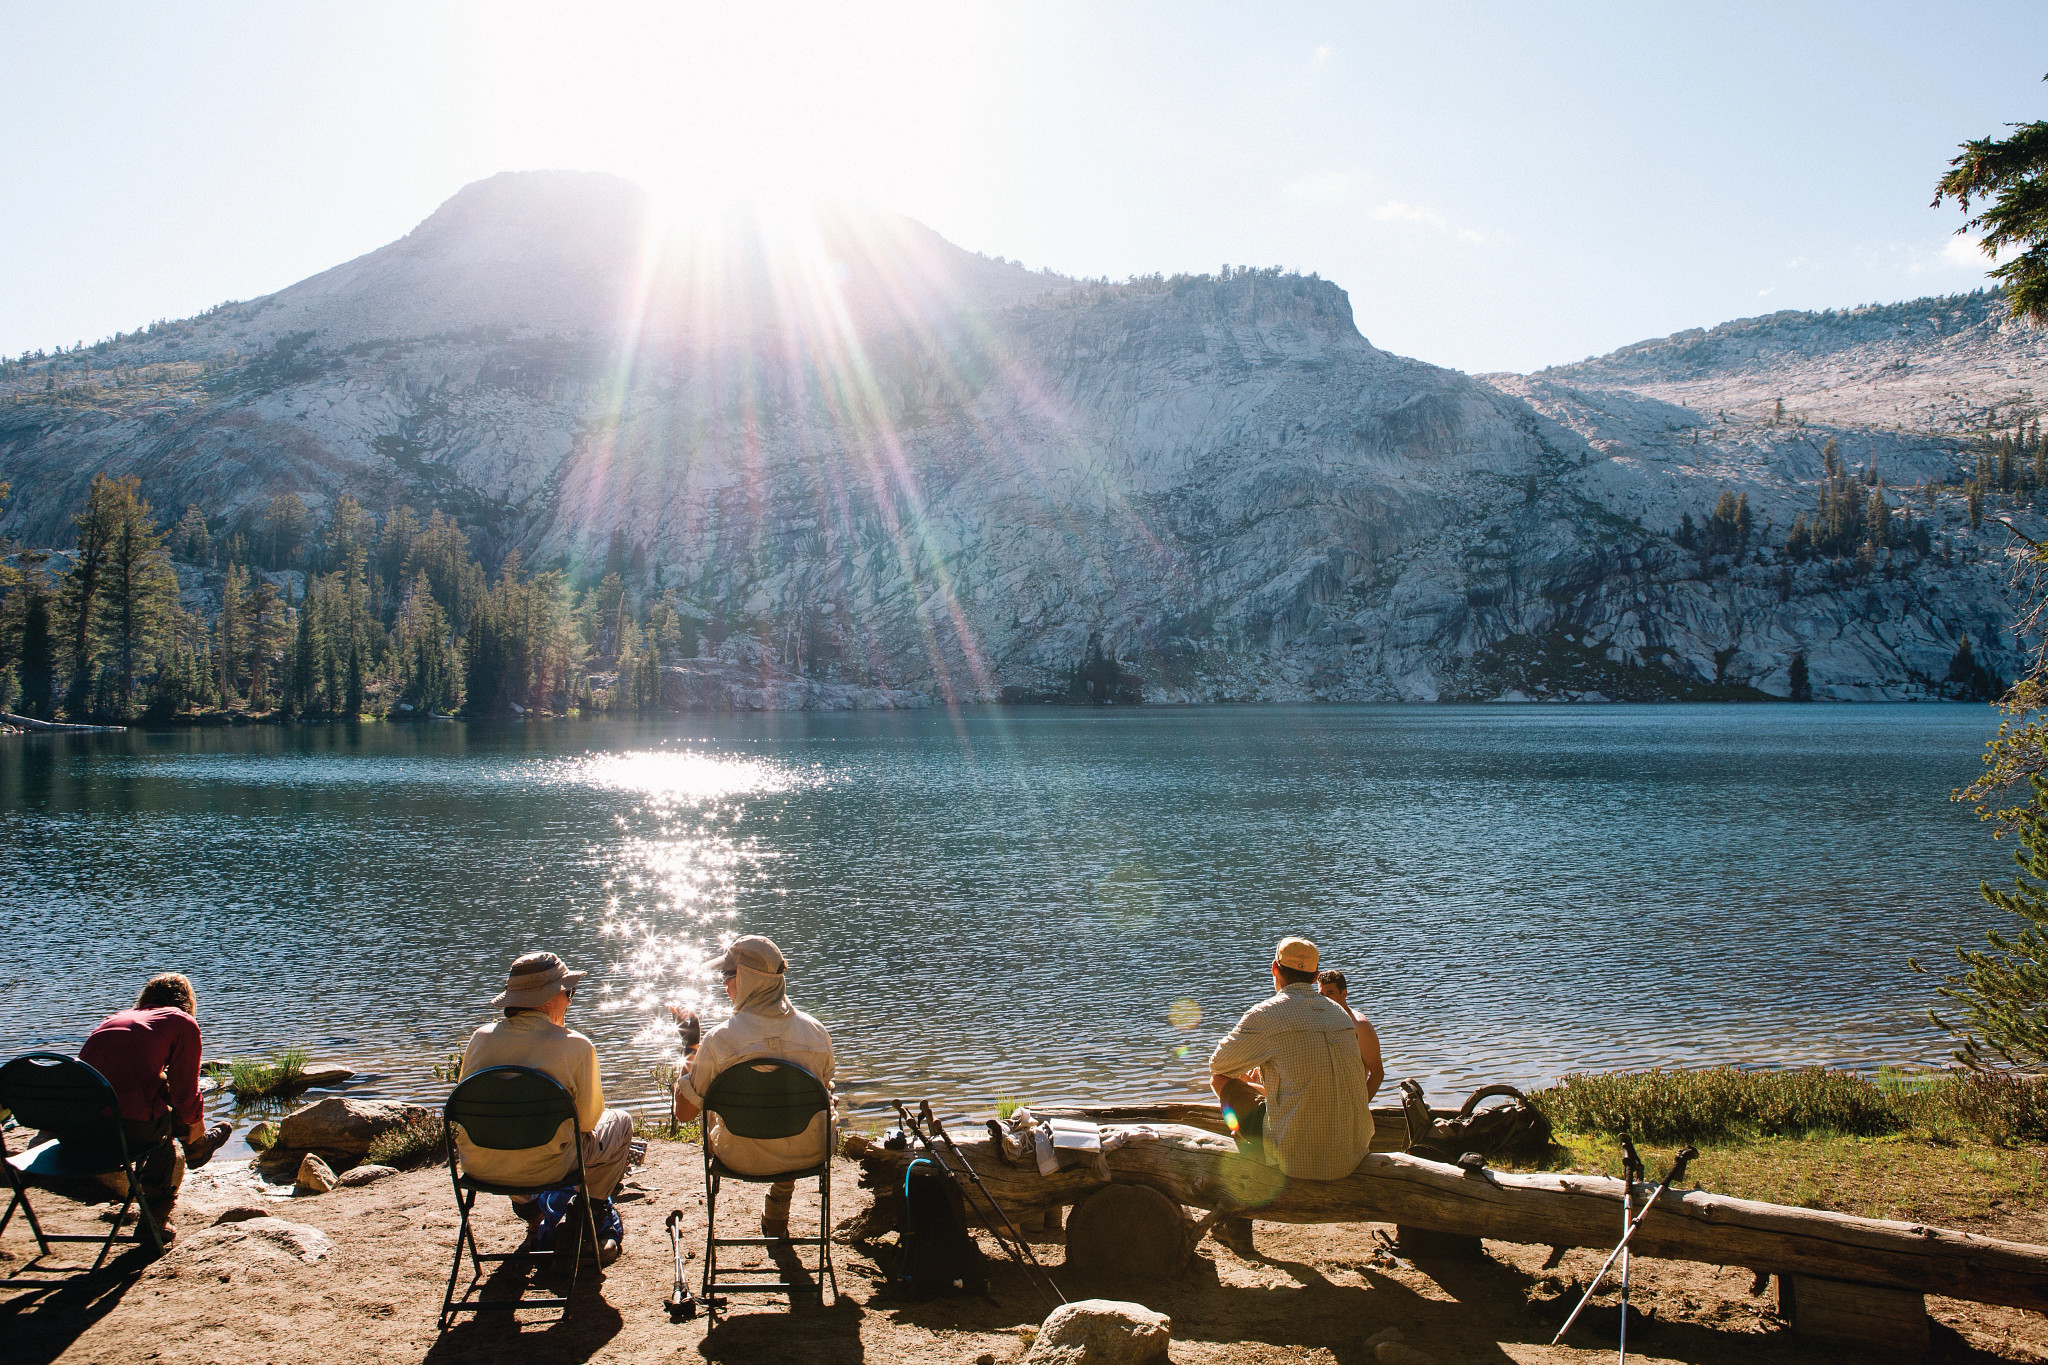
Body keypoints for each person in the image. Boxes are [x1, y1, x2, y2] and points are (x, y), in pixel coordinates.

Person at [456, 951, 635, 1264]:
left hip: (479, 1166)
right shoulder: (576, 1045)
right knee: (619, 1122)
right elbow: (588, 1121)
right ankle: (585, 1214)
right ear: (550, 997)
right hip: (549, 1168)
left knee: (508, 1128)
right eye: (568, 993)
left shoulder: (479, 1039)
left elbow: (464, 1108)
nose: (569, 1001)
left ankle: (532, 1215)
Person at [669, 935, 834, 1241]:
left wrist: (690, 1044)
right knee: (797, 1113)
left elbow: (683, 1113)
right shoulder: (816, 1034)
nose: (723, 984)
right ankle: (777, 1215)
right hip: (808, 1152)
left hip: (739, 1154)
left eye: (728, 976)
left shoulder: (719, 1041)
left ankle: (774, 1217)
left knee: (772, 1116)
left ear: (746, 979)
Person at [73, 973, 233, 1244]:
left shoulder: (114, 1019)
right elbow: (185, 1094)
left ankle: (195, 1148)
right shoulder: (183, 1022)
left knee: (157, 1088)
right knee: (164, 1144)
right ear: (187, 1002)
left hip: (75, 1132)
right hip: (124, 1135)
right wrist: (192, 1124)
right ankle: (154, 1222)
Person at [1209, 937, 1375, 1186]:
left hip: (1296, 1160)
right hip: (1352, 1154)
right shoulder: (1340, 1013)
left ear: (1275, 968)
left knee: (1220, 1079)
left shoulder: (1265, 1015)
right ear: (1315, 975)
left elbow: (1218, 1065)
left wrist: (1254, 1067)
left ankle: (1245, 1143)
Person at [1316, 969, 1386, 1101]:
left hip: (1351, 1103)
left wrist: (1360, 1106)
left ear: (1344, 993)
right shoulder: (1319, 1021)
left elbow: (1377, 1073)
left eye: (1330, 993)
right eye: (1321, 994)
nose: (1324, 999)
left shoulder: (1359, 1025)